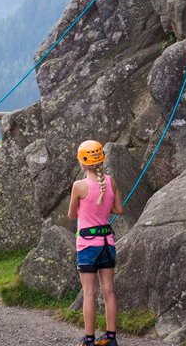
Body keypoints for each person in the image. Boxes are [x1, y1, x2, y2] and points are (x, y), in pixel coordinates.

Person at [67, 140, 125, 346]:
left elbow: (72, 214)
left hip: (87, 244)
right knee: (108, 290)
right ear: (102, 159)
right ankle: (111, 338)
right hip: (107, 242)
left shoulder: (79, 186)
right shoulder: (111, 182)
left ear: (82, 162)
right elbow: (119, 210)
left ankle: (89, 340)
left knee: (89, 292)